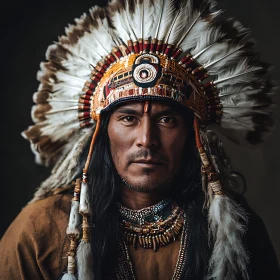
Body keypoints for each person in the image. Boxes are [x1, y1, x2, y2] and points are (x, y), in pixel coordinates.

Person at [0, 0, 279, 279]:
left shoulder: (237, 230)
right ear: (102, 132)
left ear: (194, 135)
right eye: (128, 118)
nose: (146, 140)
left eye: (166, 120)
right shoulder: (42, 230)